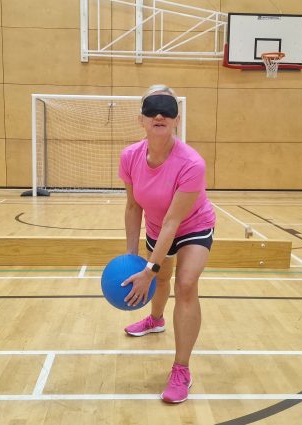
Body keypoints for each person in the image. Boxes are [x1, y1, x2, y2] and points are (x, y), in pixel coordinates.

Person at [118, 84, 216, 404]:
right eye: (152, 109)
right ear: (141, 119)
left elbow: (175, 222)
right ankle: (155, 320)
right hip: (158, 227)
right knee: (160, 278)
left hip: (192, 227)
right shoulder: (130, 156)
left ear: (176, 119)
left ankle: (181, 369)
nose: (159, 114)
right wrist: (133, 258)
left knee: (185, 284)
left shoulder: (191, 163)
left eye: (167, 109)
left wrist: (148, 267)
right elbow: (134, 207)